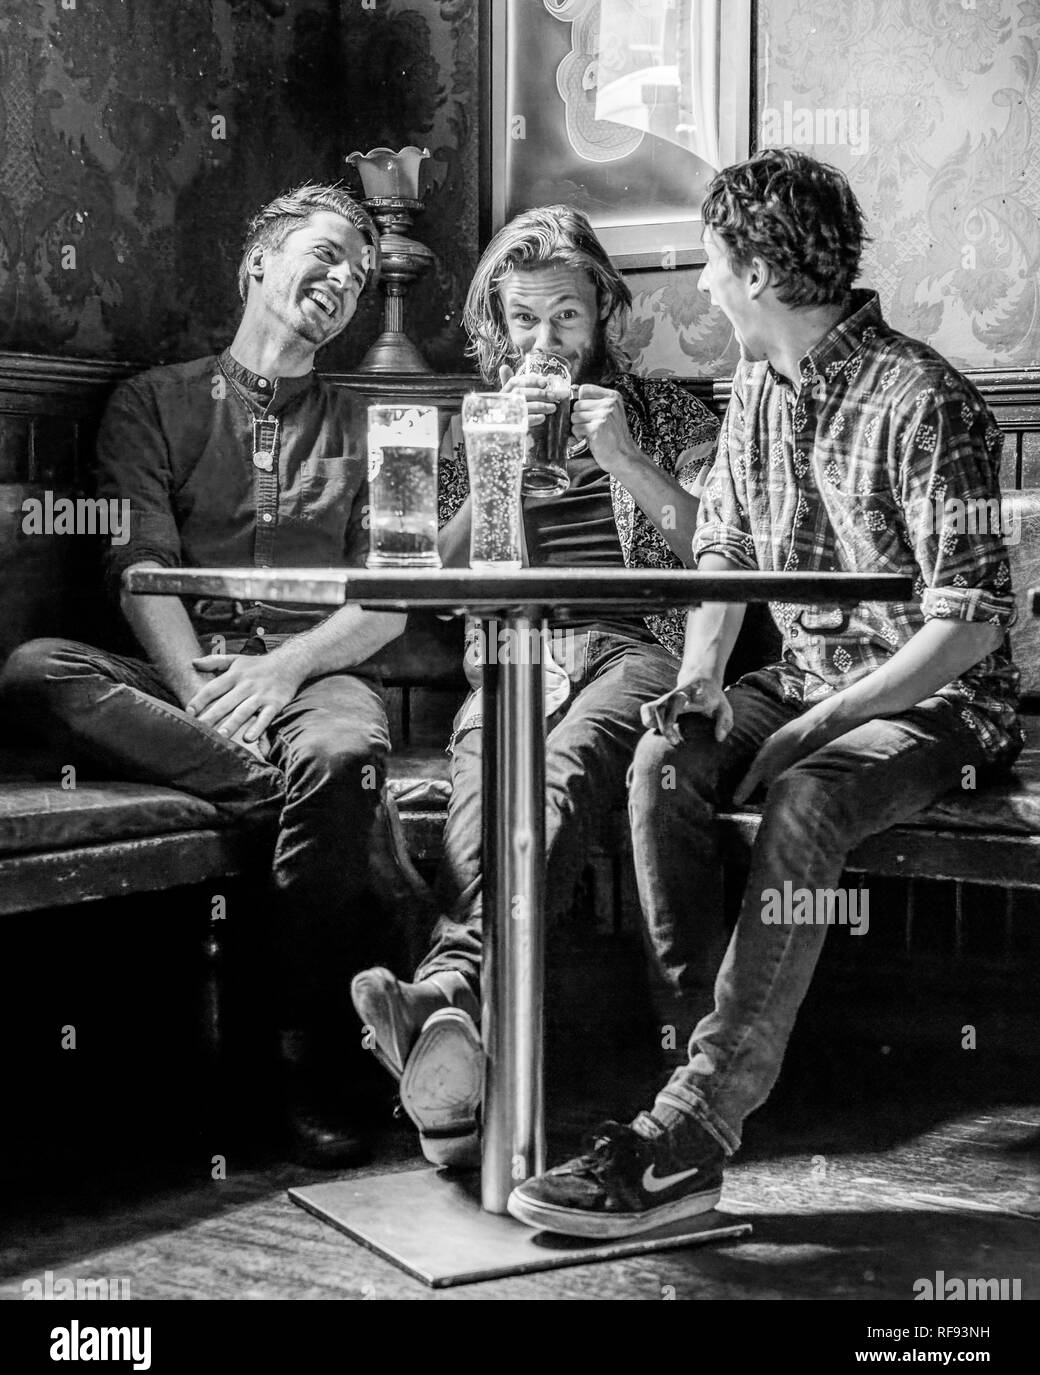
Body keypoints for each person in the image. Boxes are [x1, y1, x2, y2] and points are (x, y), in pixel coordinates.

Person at [505, 150, 1023, 1237]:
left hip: (942, 711)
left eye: (710, 260)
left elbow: (968, 620)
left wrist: (816, 725)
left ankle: (688, 1125)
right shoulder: (754, 396)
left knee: (803, 798)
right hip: (799, 681)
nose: (698, 284)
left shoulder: (924, 398)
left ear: (758, 269)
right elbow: (724, 560)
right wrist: (697, 684)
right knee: (661, 764)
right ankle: (695, 1091)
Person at [0, 183, 410, 1168]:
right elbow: (137, 567)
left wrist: (284, 669)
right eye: (324, 253)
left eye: (357, 271)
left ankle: (302, 1060)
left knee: (346, 745)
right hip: (179, 672)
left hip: (316, 673)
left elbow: (391, 602)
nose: (343, 277)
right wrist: (204, 696)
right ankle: (324, 812)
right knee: (34, 669)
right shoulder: (151, 400)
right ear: (258, 265)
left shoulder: (387, 425)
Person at [350, 205, 721, 1165]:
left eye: (565, 316)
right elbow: (424, 577)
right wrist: (496, 472)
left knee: (548, 787)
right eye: (523, 321)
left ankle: (445, 996)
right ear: (497, 327)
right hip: (512, 653)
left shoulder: (671, 413)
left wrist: (623, 458)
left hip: (633, 649)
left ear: (601, 310)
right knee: (483, 812)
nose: (544, 341)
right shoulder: (477, 420)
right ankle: (458, 1070)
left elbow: (717, 555)